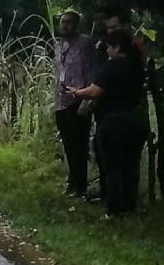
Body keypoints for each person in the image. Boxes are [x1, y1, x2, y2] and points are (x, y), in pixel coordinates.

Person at [66, 29, 146, 217]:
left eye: (109, 47)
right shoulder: (137, 66)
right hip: (136, 119)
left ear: (117, 48)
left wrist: (77, 93)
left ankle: (115, 209)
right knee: (131, 165)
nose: (108, 51)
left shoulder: (113, 66)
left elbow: (95, 91)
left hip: (114, 121)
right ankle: (130, 205)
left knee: (113, 166)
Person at [54, 12, 95, 197]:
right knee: (68, 143)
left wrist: (87, 100)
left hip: (79, 97)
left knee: (79, 144)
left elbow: (91, 71)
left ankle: (80, 184)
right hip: (61, 99)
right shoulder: (59, 45)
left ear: (77, 25)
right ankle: (72, 180)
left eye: (69, 23)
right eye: (63, 22)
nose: (65, 26)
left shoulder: (85, 44)